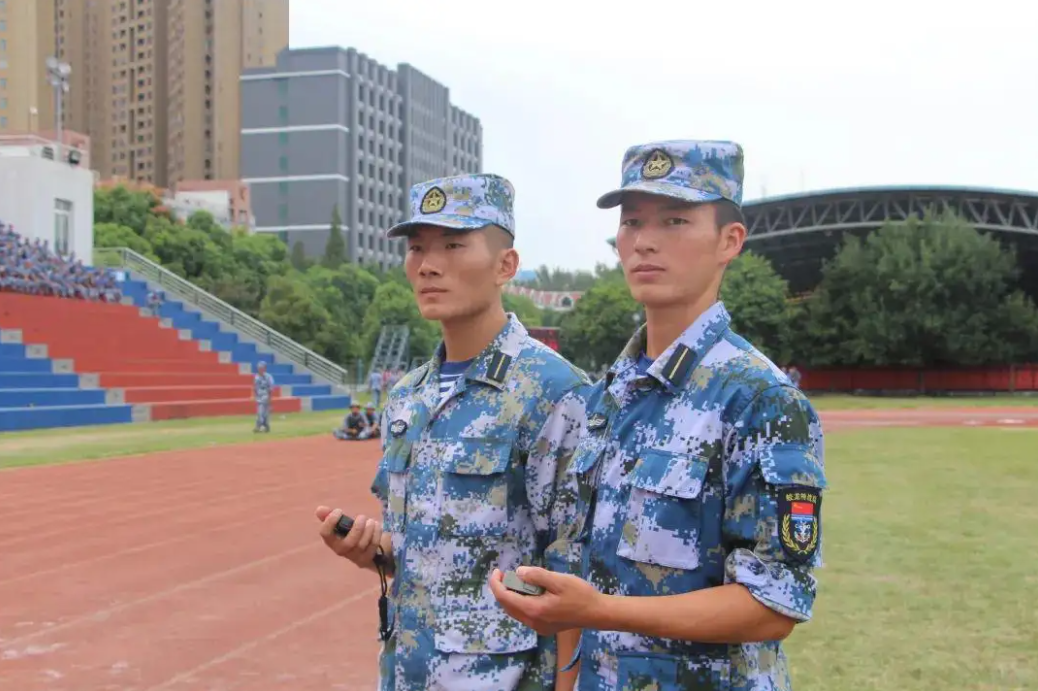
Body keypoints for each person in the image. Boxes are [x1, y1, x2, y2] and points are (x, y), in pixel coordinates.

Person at [488, 140, 828, 691]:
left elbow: (772, 604)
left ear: (729, 241)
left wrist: (600, 611)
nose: (644, 241)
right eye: (632, 222)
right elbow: (578, 560)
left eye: (674, 220)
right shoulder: (607, 397)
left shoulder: (759, 399)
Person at [315, 173, 591, 691]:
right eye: (417, 248)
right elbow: (432, 555)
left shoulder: (553, 390)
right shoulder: (408, 397)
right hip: (409, 673)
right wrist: (375, 553)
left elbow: (575, 568)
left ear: (505, 265)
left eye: (453, 245)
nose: (428, 264)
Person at [252, 361, 275, 433]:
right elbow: (255, 387)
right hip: (259, 397)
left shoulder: (268, 377)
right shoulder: (256, 377)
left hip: (265, 397)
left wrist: (269, 398)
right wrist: (254, 396)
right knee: (262, 413)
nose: (260, 369)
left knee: (262, 412)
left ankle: (259, 427)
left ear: (264, 368)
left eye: (261, 368)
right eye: (259, 368)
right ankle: (265, 426)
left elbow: (271, 388)